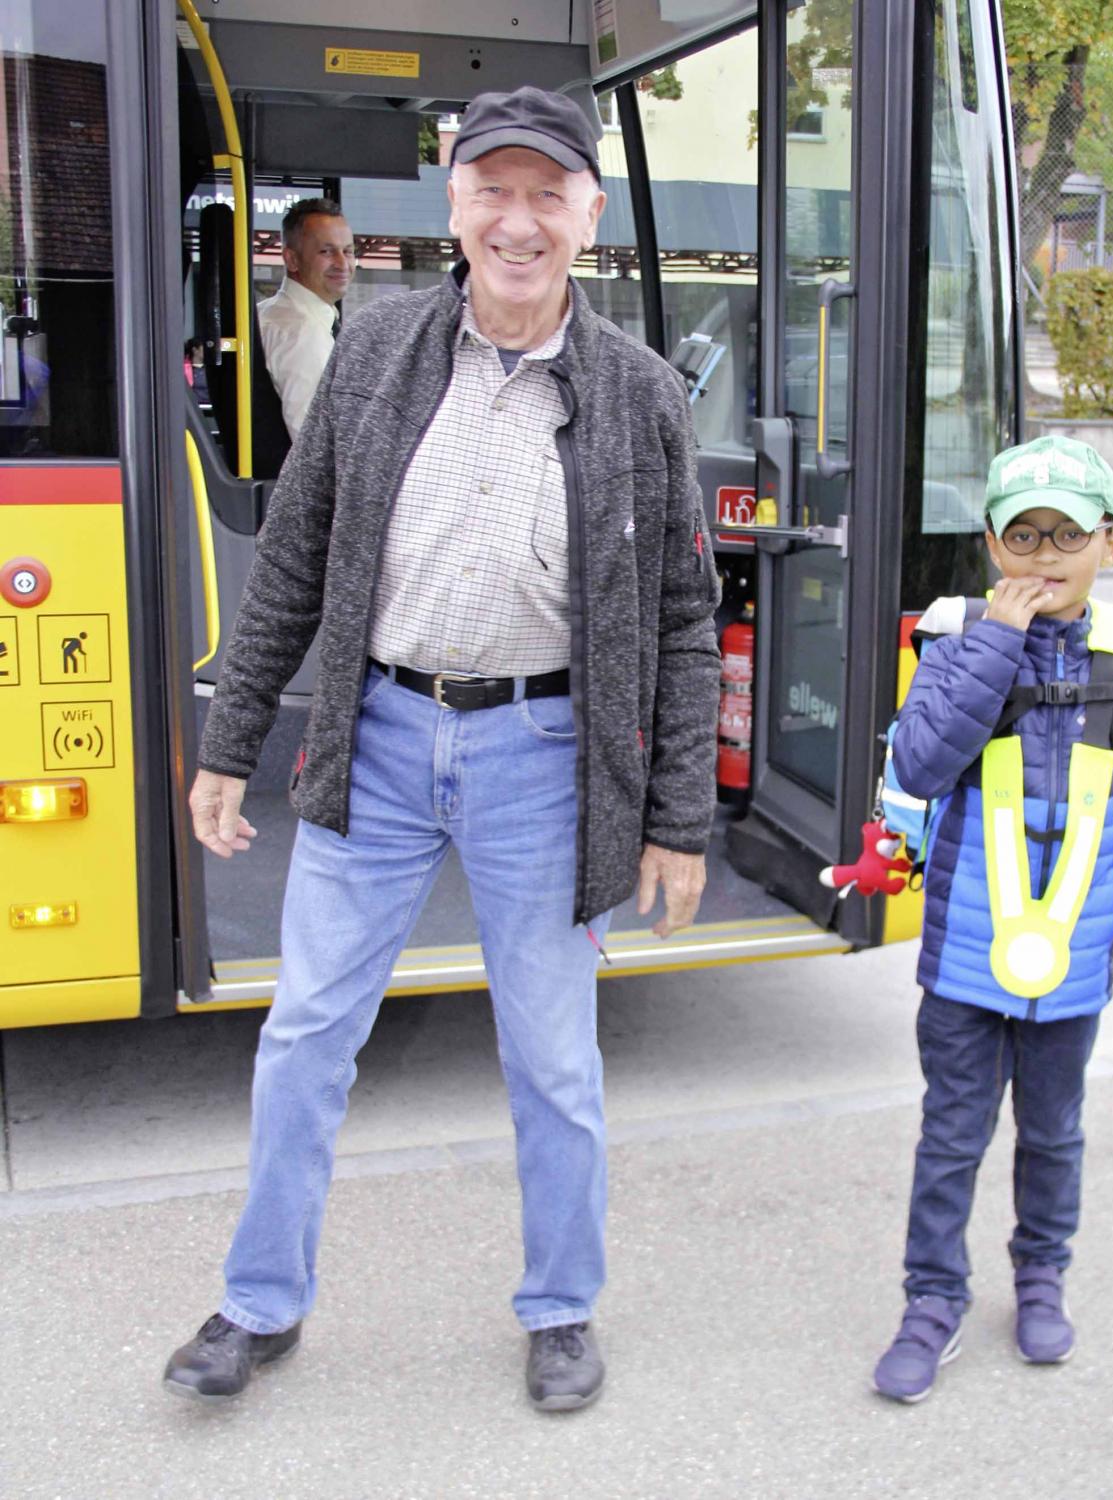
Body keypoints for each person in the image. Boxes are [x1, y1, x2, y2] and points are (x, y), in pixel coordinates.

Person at [163, 86, 720, 1412]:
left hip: (545, 752)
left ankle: (561, 1306)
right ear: (456, 204)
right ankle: (260, 1301)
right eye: (493, 191)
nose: (518, 221)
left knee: (553, 1059)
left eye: (548, 194)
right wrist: (230, 738)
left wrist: (677, 818)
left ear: (587, 213)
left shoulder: (637, 394)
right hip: (382, 737)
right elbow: (296, 555)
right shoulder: (378, 354)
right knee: (305, 1036)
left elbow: (686, 617)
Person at [871, 434, 1113, 1404]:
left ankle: (1038, 1277)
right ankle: (929, 1302)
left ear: (1111, 543)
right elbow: (918, 765)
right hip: (962, 970)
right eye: (1022, 536)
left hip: (1068, 972)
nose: (1044, 556)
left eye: (1066, 534)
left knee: (1053, 1135)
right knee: (950, 1137)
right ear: (988, 547)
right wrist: (996, 645)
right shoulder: (954, 647)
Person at [257, 197, 355, 439]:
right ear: (291, 259)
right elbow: (315, 443)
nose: (343, 264)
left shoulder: (266, 313)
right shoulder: (303, 332)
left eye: (348, 251)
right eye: (327, 252)